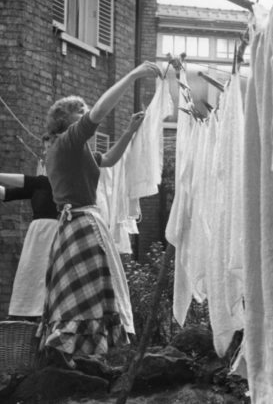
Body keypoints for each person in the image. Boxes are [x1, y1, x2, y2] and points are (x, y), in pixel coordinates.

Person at [40, 60, 161, 365]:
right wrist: (133, 76)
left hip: (75, 226)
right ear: (66, 123)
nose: (86, 119)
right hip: (81, 225)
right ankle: (81, 357)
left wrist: (131, 131)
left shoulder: (73, 151)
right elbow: (98, 114)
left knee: (83, 294)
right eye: (79, 115)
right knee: (89, 294)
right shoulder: (67, 143)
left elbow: (107, 159)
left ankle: (80, 359)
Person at [0, 139, 56, 322]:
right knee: (33, 276)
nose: (45, 156)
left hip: (51, 236)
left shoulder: (48, 182)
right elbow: (5, 194)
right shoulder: (40, 184)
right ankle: (31, 317)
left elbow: (26, 181)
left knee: (46, 277)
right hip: (38, 239)